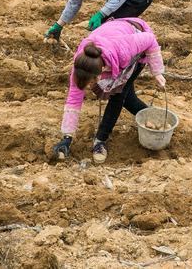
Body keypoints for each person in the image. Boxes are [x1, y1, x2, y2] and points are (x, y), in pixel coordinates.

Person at [52, 18, 165, 163]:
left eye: (90, 83)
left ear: (99, 74)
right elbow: (73, 99)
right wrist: (67, 137)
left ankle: (100, 141)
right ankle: (152, 118)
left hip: (135, 46)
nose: (88, 88)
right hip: (111, 44)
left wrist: (157, 72)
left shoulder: (123, 49)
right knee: (128, 98)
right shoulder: (82, 63)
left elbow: (149, 39)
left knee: (118, 95)